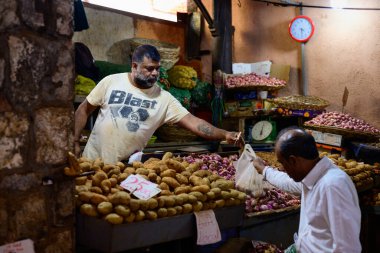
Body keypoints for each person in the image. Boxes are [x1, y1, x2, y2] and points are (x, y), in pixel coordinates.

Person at [74, 44, 243, 164]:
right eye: (149, 68)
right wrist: (73, 141)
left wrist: (225, 134)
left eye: (157, 68)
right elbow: (83, 110)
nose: (154, 73)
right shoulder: (111, 82)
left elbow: (195, 123)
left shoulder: (164, 98)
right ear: (134, 66)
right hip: (92, 163)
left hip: (126, 169)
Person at [252, 126, 361, 253]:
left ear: (293, 161)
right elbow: (287, 182)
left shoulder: (333, 186)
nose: (281, 169)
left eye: (282, 163)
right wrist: (264, 170)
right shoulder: (311, 176)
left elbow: (348, 248)